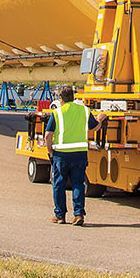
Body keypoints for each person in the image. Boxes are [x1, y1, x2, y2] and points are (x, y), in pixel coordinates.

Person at [43, 85, 100, 226]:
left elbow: (48, 135)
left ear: (60, 98)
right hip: (79, 154)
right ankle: (79, 214)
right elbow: (95, 127)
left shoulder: (57, 113)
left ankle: (60, 215)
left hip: (61, 155)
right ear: (73, 97)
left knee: (59, 184)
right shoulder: (84, 110)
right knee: (78, 184)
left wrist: (50, 151)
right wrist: (101, 119)